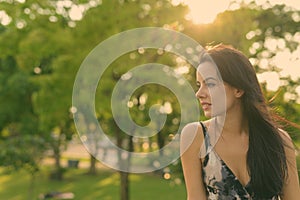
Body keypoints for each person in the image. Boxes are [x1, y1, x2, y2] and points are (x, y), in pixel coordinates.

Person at [180, 44, 300, 199]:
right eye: (199, 85)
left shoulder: (279, 141)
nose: (199, 93)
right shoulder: (196, 136)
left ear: (238, 89)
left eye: (209, 84)